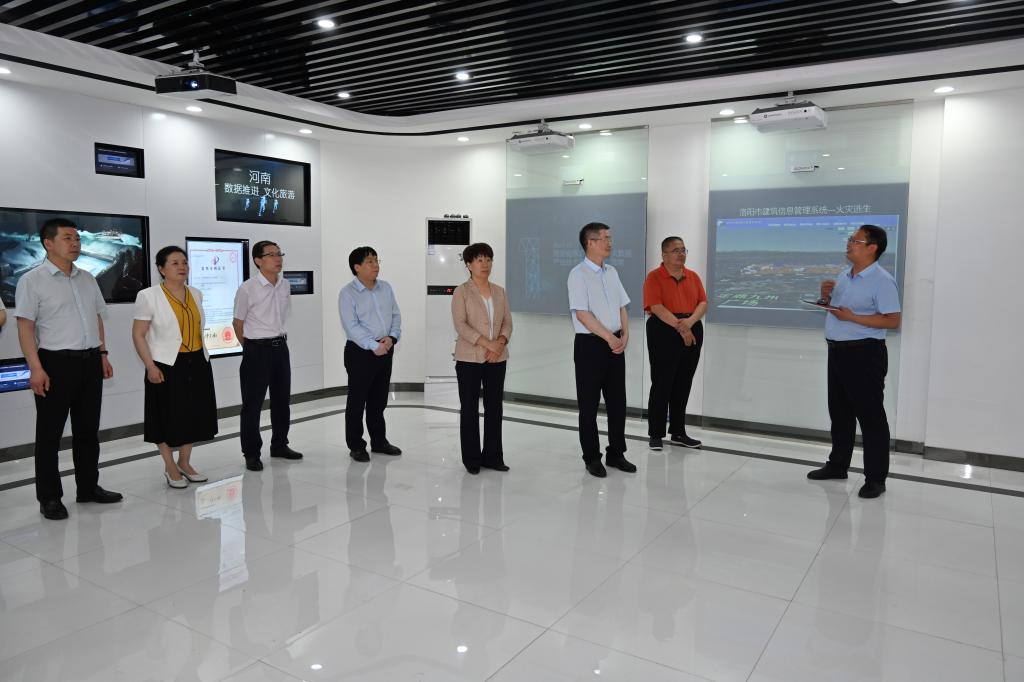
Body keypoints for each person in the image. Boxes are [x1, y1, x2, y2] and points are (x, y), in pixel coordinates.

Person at [15, 218, 122, 520]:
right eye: (67, 238)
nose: (75, 243)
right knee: (49, 435)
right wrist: (35, 369)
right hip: (55, 364)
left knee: (88, 431)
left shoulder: (87, 278)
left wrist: (103, 353)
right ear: (48, 244)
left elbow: (96, 317)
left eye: (77, 238)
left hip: (90, 361)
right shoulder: (32, 281)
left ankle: (88, 487)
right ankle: (49, 497)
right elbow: (25, 327)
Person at [807, 225, 901, 499]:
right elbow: (839, 312)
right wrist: (825, 297)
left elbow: (892, 320)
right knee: (840, 412)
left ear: (872, 248)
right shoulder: (845, 276)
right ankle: (838, 465)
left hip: (864, 354)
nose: (849, 243)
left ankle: (875, 478)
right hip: (837, 352)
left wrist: (853, 318)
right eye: (850, 239)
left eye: (855, 240)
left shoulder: (882, 280)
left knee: (871, 416)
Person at [132, 246, 218, 488]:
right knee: (164, 417)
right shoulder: (148, 296)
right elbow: (138, 335)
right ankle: (170, 466)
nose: (182, 267)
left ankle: (185, 462)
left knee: (194, 414)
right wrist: (150, 366)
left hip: (197, 361)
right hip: (166, 364)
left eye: (185, 262)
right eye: (175, 263)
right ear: (161, 269)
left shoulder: (196, 293)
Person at [567, 222, 636, 477]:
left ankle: (616, 453)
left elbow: (622, 306)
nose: (610, 243)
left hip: (615, 344)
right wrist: (609, 337)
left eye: (610, 238)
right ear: (590, 243)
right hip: (591, 346)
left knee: (618, 403)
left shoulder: (612, 272)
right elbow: (583, 314)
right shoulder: (578, 274)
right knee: (589, 405)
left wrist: (625, 334)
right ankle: (592, 457)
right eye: (605, 238)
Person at [232, 240, 303, 471]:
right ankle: (251, 453)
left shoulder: (284, 285)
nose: (278, 258)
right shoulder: (247, 288)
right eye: (271, 254)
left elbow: (283, 316)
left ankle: (280, 445)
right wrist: (251, 347)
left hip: (280, 347)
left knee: (282, 401)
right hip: (256, 350)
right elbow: (237, 323)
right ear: (258, 261)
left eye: (279, 253)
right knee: (252, 405)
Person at [451, 243, 513, 474]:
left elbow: (507, 322)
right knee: (469, 409)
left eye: (488, 259)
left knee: (494, 407)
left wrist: (500, 343)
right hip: (469, 358)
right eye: (479, 260)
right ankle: (472, 459)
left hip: (497, 358)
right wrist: (488, 343)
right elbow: (460, 325)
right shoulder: (461, 292)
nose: (485, 264)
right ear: (468, 264)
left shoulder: (499, 291)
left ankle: (493, 457)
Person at [338, 246, 402, 462]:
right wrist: (373, 345)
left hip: (385, 348)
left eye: (376, 260)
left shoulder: (386, 288)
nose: (375, 265)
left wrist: (392, 337)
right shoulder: (347, 293)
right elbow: (351, 326)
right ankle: (356, 445)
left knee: (378, 400)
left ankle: (379, 441)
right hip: (360, 353)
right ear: (357, 267)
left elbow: (395, 315)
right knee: (357, 402)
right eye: (370, 261)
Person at [643, 236, 707, 450]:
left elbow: (703, 302)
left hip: (692, 325)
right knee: (662, 382)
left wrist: (690, 323)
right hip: (663, 329)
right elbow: (656, 307)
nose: (681, 254)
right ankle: (656, 433)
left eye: (683, 250)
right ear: (664, 254)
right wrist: (682, 328)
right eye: (675, 250)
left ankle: (678, 432)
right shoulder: (654, 277)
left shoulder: (693, 276)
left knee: (683, 382)